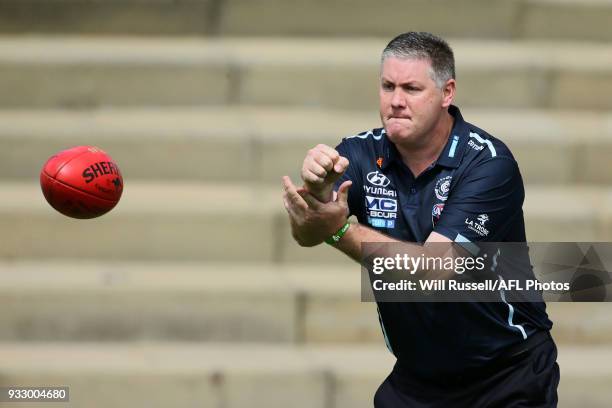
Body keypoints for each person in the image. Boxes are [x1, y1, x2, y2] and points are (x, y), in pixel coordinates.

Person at [282, 32, 560, 407]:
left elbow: (434, 271)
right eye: (387, 86)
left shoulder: (489, 164)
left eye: (411, 88)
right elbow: (307, 234)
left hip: (506, 375)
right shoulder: (359, 153)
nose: (396, 101)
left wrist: (339, 231)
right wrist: (315, 190)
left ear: (447, 93)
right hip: (417, 380)